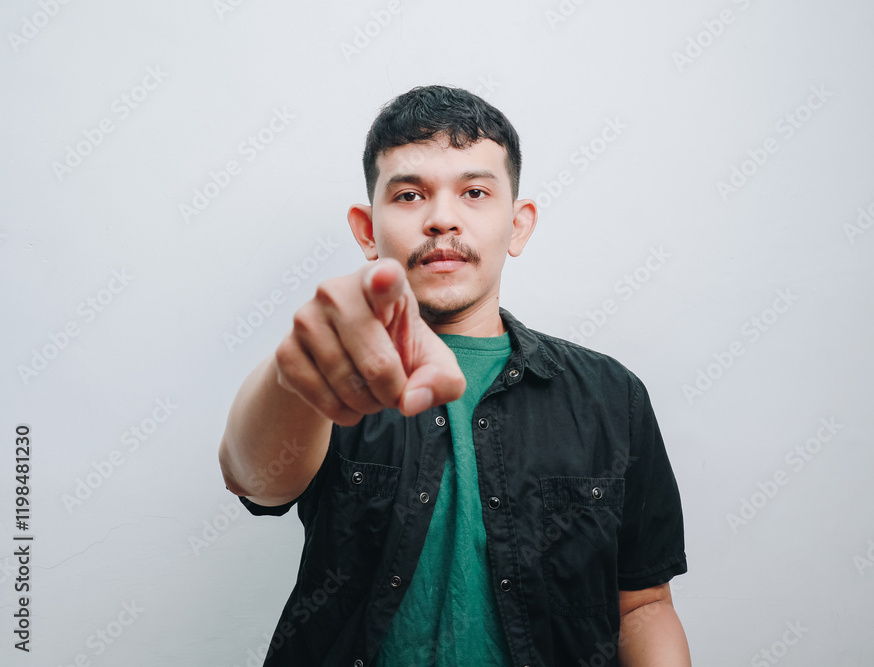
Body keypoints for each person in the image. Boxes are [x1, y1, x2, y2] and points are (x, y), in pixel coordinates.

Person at [218, 85, 690, 667]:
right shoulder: (336, 370)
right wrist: (296, 366)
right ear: (366, 230)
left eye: (474, 192)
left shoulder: (612, 397)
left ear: (518, 225)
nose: (442, 219)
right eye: (410, 195)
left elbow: (644, 603)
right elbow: (252, 480)